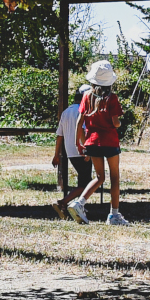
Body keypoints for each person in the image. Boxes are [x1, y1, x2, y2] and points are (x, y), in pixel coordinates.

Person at [66, 60, 128, 226]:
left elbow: (80, 122)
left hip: (92, 142)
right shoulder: (112, 98)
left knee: (99, 177)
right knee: (114, 177)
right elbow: (115, 123)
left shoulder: (86, 97)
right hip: (109, 142)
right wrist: (119, 123)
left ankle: (79, 203)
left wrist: (80, 143)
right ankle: (114, 215)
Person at [52, 85, 92, 216]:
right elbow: (82, 130)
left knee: (85, 181)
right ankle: (64, 202)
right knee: (86, 183)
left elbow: (59, 136)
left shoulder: (66, 112)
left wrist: (56, 155)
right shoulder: (82, 111)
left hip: (70, 151)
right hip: (81, 151)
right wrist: (87, 149)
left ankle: (77, 205)